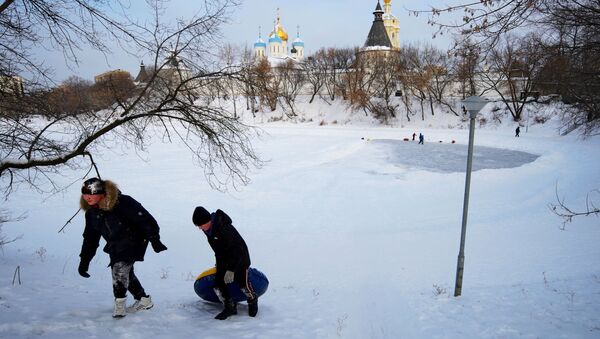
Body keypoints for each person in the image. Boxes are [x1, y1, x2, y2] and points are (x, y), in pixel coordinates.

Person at [77, 178, 167, 318]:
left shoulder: (122, 202)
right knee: (127, 274)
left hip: (135, 240)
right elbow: (90, 238)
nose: (87, 197)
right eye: (84, 193)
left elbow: (146, 220)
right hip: (115, 244)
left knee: (119, 270)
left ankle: (119, 307)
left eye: (91, 193)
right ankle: (144, 300)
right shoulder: (91, 213)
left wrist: (155, 240)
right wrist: (85, 260)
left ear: (101, 193)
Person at [192, 206, 258, 320]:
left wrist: (231, 269)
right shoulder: (208, 231)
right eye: (198, 226)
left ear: (207, 221)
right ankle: (230, 307)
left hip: (240, 258)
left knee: (242, 282)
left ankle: (252, 300)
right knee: (218, 284)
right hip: (225, 259)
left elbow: (237, 250)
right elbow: (218, 251)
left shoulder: (224, 228)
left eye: (200, 225)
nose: (199, 228)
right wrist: (220, 265)